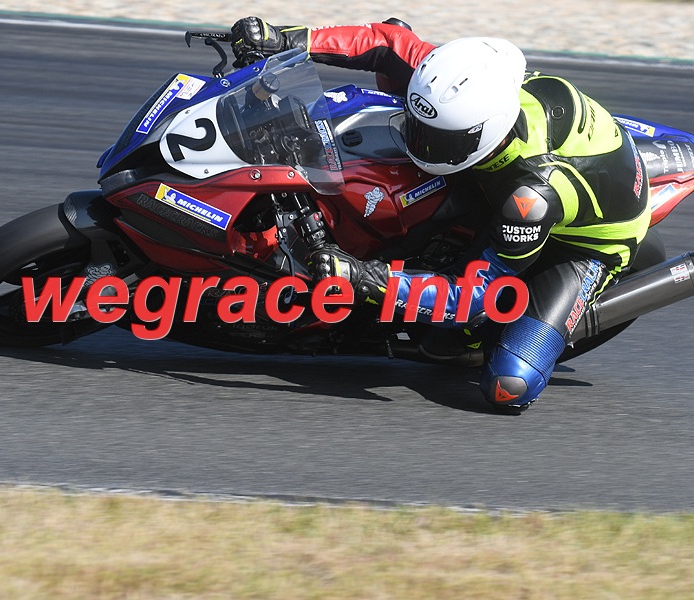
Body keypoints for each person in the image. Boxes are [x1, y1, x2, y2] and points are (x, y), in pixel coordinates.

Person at [230, 17, 651, 411]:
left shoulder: (530, 198)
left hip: (579, 242)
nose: (419, 143)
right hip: (513, 170)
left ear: (483, 134)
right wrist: (285, 40)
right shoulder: (464, 86)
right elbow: (387, 42)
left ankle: (540, 322)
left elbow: (474, 296)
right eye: (417, 126)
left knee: (509, 385)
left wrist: (368, 279)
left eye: (435, 139)